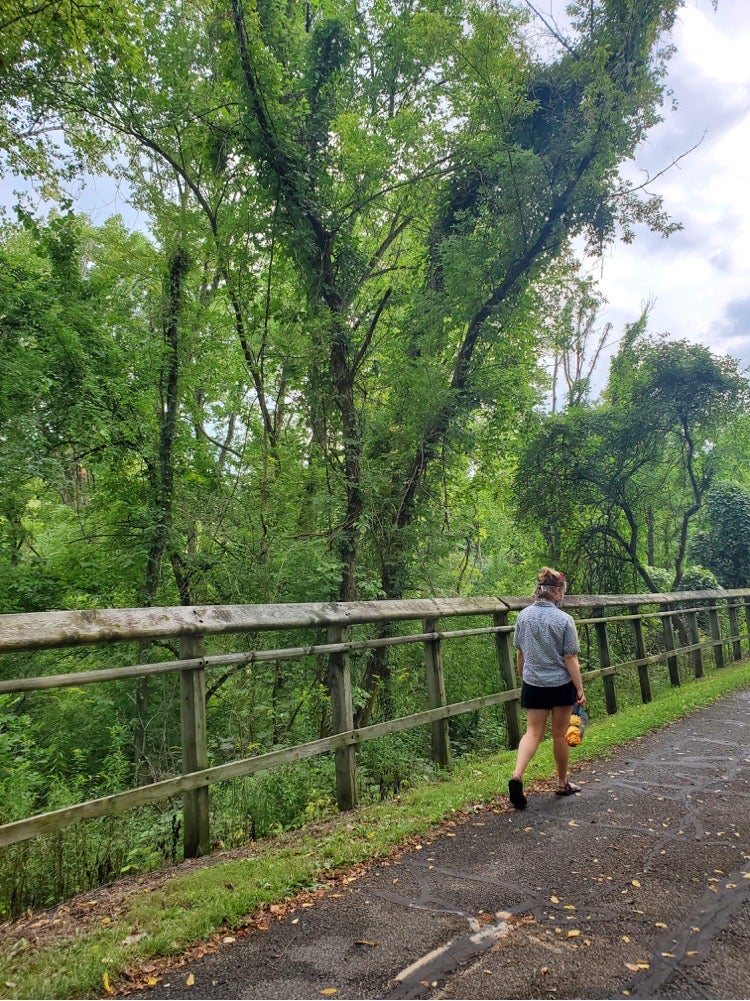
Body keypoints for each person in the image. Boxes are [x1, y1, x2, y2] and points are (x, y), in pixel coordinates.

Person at [508, 566, 586, 809]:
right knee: (560, 734)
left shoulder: (524, 616)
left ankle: (517, 775)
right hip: (560, 685)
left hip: (533, 683)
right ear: (558, 591)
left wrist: (524, 677)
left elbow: (520, 652)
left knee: (532, 732)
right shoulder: (564, 620)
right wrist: (580, 689)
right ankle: (562, 783)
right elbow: (570, 658)